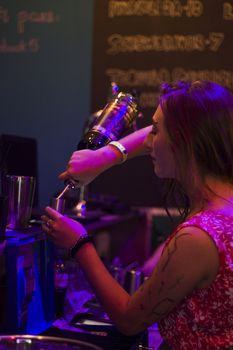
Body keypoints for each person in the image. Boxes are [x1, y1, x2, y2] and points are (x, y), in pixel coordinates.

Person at [42, 81, 233, 349]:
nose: (148, 141)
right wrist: (102, 158)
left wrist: (79, 244)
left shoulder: (199, 236)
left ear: (184, 140)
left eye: (155, 130)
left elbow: (129, 319)